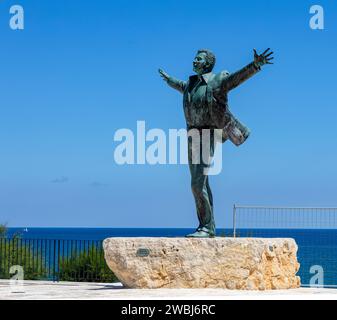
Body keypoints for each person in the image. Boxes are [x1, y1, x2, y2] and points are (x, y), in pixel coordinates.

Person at [159, 48, 274, 238]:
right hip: (192, 135)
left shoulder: (217, 80)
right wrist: (169, 80)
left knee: (197, 184)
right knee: (202, 182)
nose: (194, 61)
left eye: (198, 59)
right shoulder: (191, 84)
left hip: (207, 133)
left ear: (207, 64)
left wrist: (255, 65)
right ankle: (208, 226)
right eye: (194, 58)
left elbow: (235, 79)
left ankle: (206, 226)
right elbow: (180, 85)